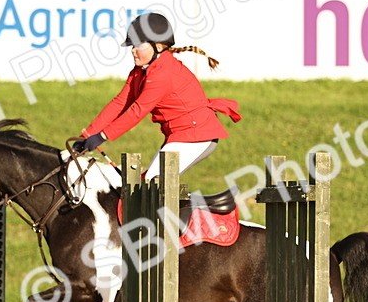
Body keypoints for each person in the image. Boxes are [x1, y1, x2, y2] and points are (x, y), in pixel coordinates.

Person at [72, 13, 241, 180]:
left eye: (139, 45)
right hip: (179, 136)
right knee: (146, 185)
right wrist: (88, 134)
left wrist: (102, 136)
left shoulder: (163, 73)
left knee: (152, 184)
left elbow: (137, 111)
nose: (133, 51)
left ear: (159, 46)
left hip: (196, 136)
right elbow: (120, 103)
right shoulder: (140, 71)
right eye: (132, 46)